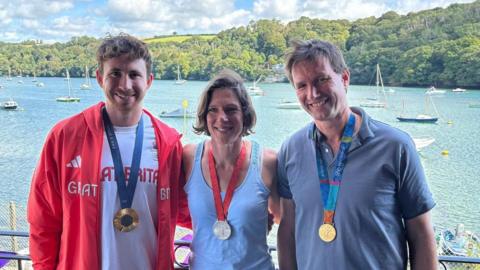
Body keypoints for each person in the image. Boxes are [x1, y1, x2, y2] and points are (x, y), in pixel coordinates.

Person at [27, 34, 190, 270]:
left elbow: (191, 209)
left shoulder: (168, 143)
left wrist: (246, 214)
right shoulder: (65, 136)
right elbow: (43, 218)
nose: (125, 85)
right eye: (115, 73)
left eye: (134, 74)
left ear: (149, 81)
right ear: (99, 78)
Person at [276, 40, 437, 270]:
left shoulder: (396, 147)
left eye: (321, 79)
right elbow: (288, 229)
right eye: (302, 85)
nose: (312, 93)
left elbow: (421, 235)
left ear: (344, 78)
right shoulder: (291, 150)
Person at [182, 69, 280, 269]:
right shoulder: (189, 157)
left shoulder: (267, 162)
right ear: (204, 114)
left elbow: (284, 221)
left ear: (245, 114)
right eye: (213, 110)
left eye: (231, 109)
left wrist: (255, 220)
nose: (222, 118)